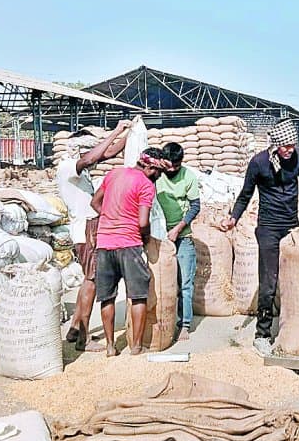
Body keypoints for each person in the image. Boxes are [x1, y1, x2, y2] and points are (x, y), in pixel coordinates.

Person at [220, 120, 299, 356]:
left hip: (291, 226)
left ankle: (294, 324)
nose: (289, 150)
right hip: (268, 228)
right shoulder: (259, 163)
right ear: (275, 145)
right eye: (285, 146)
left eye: (292, 145)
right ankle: (262, 334)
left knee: (294, 278)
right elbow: (245, 195)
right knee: (269, 282)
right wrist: (234, 217)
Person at [56, 120, 130, 351]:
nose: (95, 158)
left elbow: (105, 154)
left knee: (88, 280)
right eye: (90, 151)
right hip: (86, 230)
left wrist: (130, 134)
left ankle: (76, 328)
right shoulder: (69, 166)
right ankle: (84, 339)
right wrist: (116, 130)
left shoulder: (82, 170)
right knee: (93, 281)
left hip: (88, 227)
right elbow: (91, 157)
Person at [90, 148, 168, 357]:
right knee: (138, 296)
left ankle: (109, 346)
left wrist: (109, 217)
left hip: (104, 243)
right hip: (129, 244)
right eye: (158, 171)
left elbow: (95, 202)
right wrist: (146, 237)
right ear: (151, 167)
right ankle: (136, 346)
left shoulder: (114, 174)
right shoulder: (145, 185)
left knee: (107, 297)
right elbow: (143, 222)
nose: (158, 176)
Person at [155, 142, 201, 342]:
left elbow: (195, 206)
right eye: (169, 166)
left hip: (182, 237)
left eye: (176, 165)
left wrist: (177, 229)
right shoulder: (155, 174)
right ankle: (161, 322)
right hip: (157, 237)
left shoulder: (188, 176)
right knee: (160, 283)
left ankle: (184, 324)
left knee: (185, 283)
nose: (172, 169)